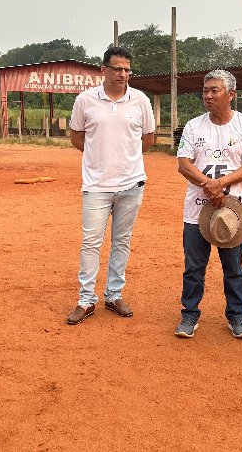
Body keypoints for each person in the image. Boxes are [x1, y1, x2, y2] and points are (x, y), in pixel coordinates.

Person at [66, 46, 155, 324]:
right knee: (90, 243)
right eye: (117, 69)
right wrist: (99, 159)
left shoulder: (140, 100)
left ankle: (114, 294)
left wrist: (124, 160)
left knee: (122, 241)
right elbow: (77, 137)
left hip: (131, 184)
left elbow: (148, 138)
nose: (123, 74)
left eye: (127, 70)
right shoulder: (85, 100)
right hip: (96, 186)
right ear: (103, 70)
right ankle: (85, 299)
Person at [175, 69, 242, 339]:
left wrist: (221, 184)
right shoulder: (193, 126)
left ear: (231, 95)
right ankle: (189, 314)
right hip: (197, 210)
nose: (208, 96)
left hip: (232, 212)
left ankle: (236, 316)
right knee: (193, 267)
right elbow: (183, 164)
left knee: (234, 268)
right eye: (205, 91)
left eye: (215, 90)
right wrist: (209, 184)